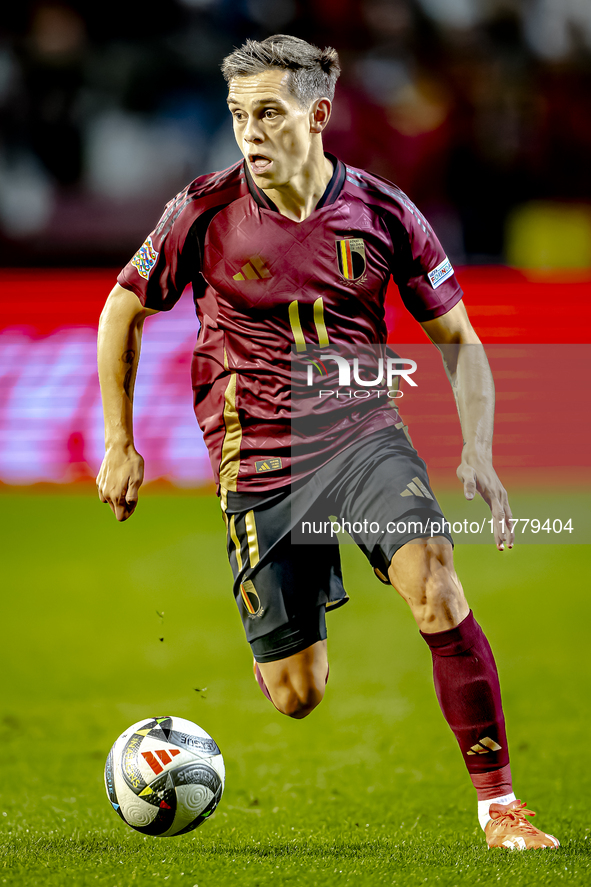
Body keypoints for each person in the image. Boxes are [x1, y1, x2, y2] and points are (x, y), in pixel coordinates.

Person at [97, 35, 558, 850]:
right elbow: (120, 311)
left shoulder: (384, 212)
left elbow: (459, 336)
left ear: (317, 114)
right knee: (298, 693)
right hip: (258, 451)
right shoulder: (203, 211)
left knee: (437, 584)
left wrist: (477, 448)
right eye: (239, 114)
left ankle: (500, 807)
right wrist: (118, 442)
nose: (250, 131)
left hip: (361, 433)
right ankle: (279, 628)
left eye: (268, 112)